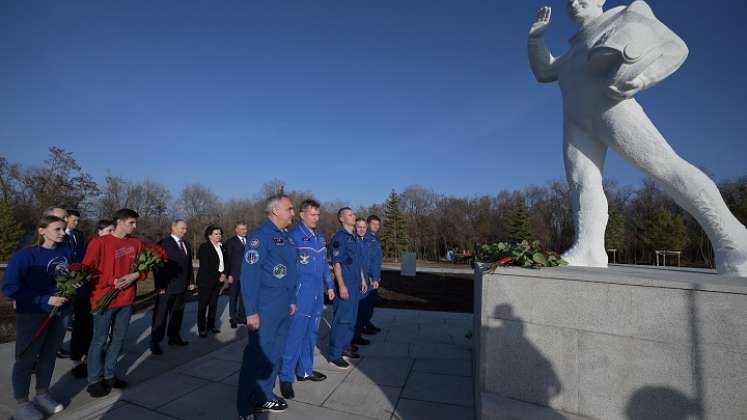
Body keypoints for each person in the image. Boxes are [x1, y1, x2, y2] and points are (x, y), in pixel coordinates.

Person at [528, 1, 747, 275]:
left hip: (613, 109)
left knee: (666, 169)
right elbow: (544, 71)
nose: (573, 3)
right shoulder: (572, 52)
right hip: (576, 123)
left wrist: (643, 79)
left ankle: (734, 239)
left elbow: (676, 47)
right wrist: (536, 40)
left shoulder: (625, 16)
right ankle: (589, 248)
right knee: (582, 184)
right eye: (569, 0)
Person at [1, 216, 72, 420]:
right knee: (26, 359)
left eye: (63, 229)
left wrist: (73, 285)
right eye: (57, 229)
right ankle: (22, 402)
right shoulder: (26, 256)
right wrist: (45, 299)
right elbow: (9, 288)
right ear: (42, 230)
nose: (62, 233)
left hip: (60, 313)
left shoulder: (65, 252)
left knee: (49, 355)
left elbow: (67, 277)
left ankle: (42, 393)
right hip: (32, 313)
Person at [236, 194, 298, 418]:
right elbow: (249, 276)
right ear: (276, 211)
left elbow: (291, 271)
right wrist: (251, 312)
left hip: (283, 306)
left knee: (275, 354)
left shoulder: (288, 237)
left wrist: (292, 300)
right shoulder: (259, 238)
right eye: (290, 209)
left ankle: (264, 396)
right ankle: (245, 407)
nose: (293, 212)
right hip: (265, 308)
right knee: (256, 357)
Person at [82, 208, 145, 397]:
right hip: (104, 300)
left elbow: (144, 269)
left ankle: (109, 374)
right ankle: (94, 380)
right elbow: (87, 270)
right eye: (131, 223)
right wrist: (111, 281)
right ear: (119, 221)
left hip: (126, 300)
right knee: (100, 340)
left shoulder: (136, 243)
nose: (134, 226)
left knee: (118, 339)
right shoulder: (99, 242)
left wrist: (135, 274)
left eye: (135, 223)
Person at [279, 199, 335, 400]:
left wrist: (330, 285)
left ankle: (304, 371)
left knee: (311, 333)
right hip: (300, 294)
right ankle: (286, 377)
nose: (316, 218)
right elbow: (287, 271)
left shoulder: (319, 237)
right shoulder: (293, 237)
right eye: (313, 214)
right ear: (302, 215)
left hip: (316, 294)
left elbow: (324, 265)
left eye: (318, 214)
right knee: (295, 335)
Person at [327, 207, 367, 370]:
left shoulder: (355, 237)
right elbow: (336, 265)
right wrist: (341, 286)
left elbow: (357, 262)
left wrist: (363, 279)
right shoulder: (339, 238)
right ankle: (334, 355)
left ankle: (345, 347)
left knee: (351, 319)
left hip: (356, 284)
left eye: (354, 214)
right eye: (350, 214)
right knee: (342, 320)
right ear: (342, 219)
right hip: (345, 285)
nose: (354, 216)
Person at [150, 219, 194, 354]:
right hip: (167, 286)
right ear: (173, 227)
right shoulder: (163, 243)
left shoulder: (186, 244)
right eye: (182, 228)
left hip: (182, 287)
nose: (184, 231)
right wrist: (160, 286)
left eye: (186, 229)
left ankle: (174, 337)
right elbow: (157, 267)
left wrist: (191, 281)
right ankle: (155, 342)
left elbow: (188, 265)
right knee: (161, 316)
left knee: (177, 314)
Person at [196, 225, 229, 337]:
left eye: (219, 234)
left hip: (219, 281)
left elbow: (227, 262)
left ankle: (211, 325)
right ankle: (201, 328)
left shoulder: (223, 247)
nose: (218, 236)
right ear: (209, 235)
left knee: (214, 304)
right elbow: (206, 265)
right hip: (206, 281)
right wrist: (219, 275)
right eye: (216, 234)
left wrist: (224, 274)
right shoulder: (204, 247)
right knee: (203, 305)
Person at [352, 217, 372, 346]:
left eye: (364, 227)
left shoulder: (365, 241)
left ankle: (357, 335)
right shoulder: (353, 241)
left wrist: (369, 276)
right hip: (357, 280)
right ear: (355, 227)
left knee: (361, 310)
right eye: (359, 227)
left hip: (365, 278)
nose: (361, 229)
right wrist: (363, 279)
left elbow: (367, 262)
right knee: (355, 311)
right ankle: (352, 338)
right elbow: (357, 263)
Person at [362, 215, 383, 334]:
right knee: (366, 304)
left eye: (378, 224)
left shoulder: (374, 238)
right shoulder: (366, 238)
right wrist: (370, 276)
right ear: (368, 224)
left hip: (375, 276)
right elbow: (366, 260)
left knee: (370, 303)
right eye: (373, 224)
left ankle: (366, 323)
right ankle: (362, 326)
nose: (376, 226)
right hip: (369, 277)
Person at [225, 222, 248, 329]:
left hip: (246, 275)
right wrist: (229, 274)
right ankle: (233, 318)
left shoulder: (250, 241)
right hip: (234, 274)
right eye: (242, 229)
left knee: (244, 297)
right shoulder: (230, 242)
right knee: (233, 297)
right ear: (236, 230)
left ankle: (242, 317)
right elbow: (228, 259)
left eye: (245, 229)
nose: (245, 231)